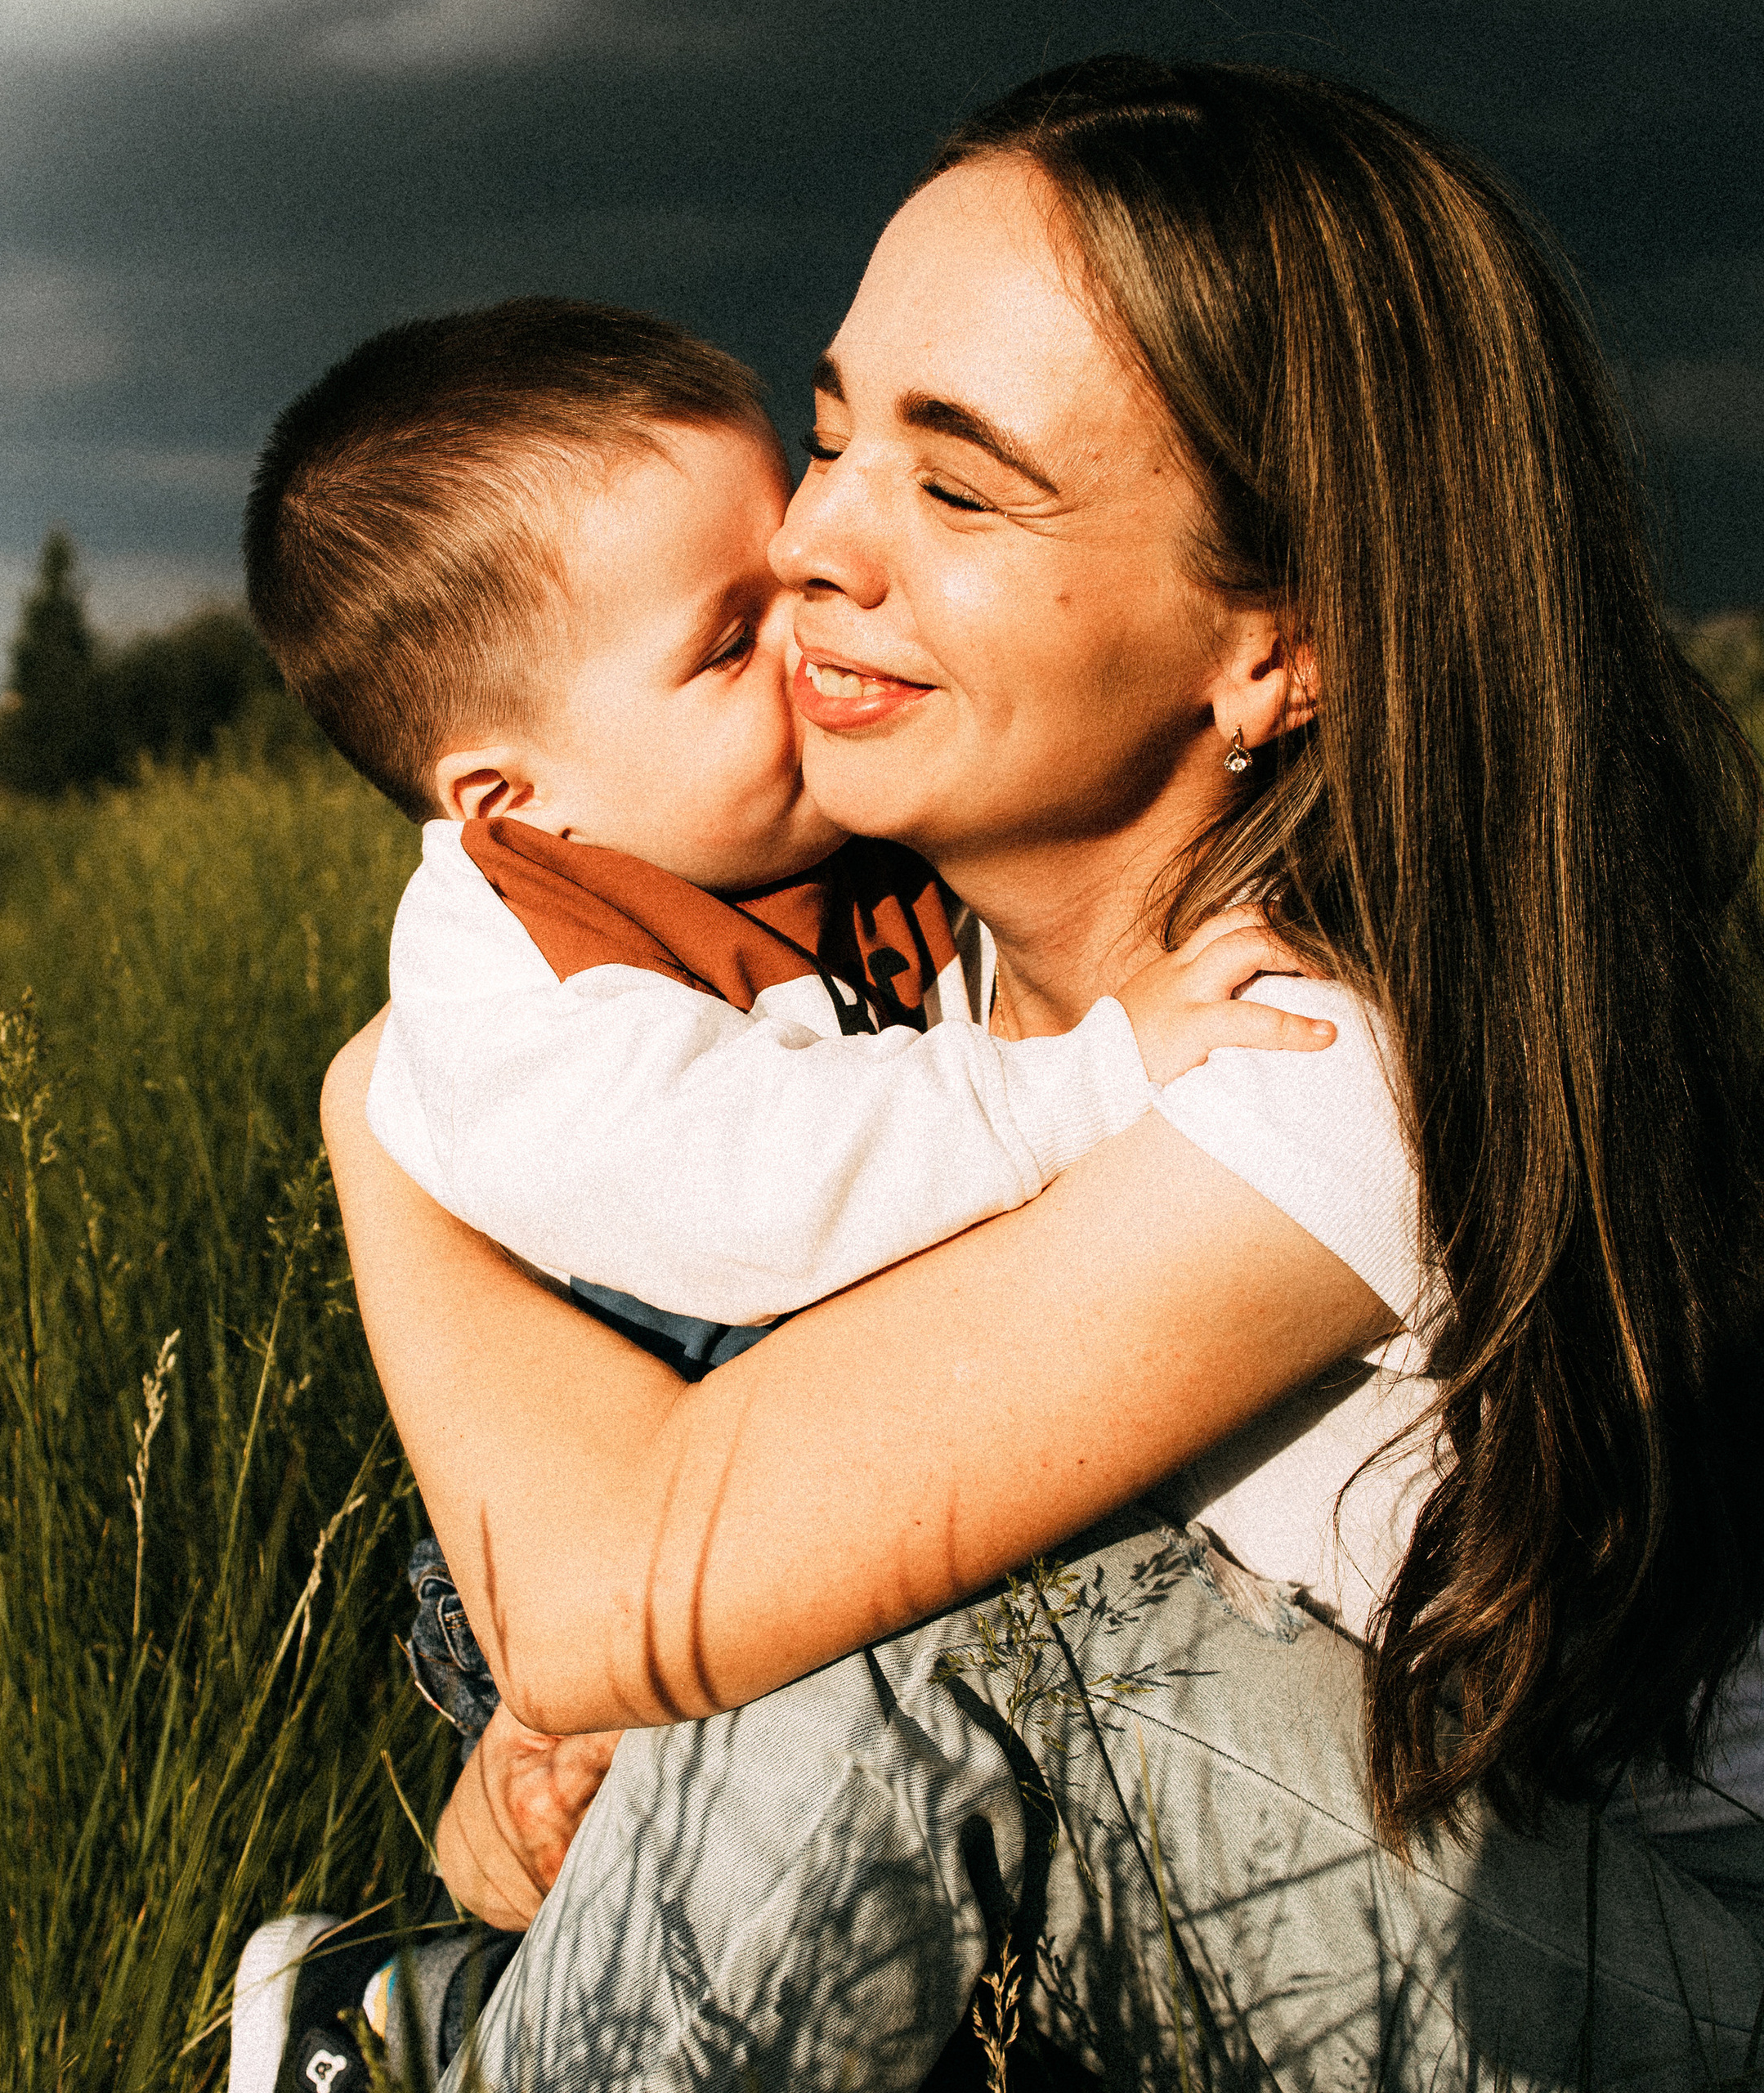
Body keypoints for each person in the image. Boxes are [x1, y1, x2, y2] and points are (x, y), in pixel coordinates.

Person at [327, 56, 1764, 2091]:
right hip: (1307, 1839)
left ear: (1280, 640)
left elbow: (625, 1577)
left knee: (957, 1621)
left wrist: (376, 1122)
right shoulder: (922, 957)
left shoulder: (1324, 1063)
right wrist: (589, 1738)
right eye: (831, 433)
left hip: (1655, 1966)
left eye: (962, 479)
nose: (815, 538)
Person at [227, 298, 1328, 2092]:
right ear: (514, 794)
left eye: (790, 550)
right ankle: (462, 2014)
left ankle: (451, 2017)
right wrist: (1091, 1075)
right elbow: (762, 1188)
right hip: (641, 1466)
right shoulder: (531, 983)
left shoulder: (780, 844)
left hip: (741, 1482)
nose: (811, 603)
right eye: (728, 634)